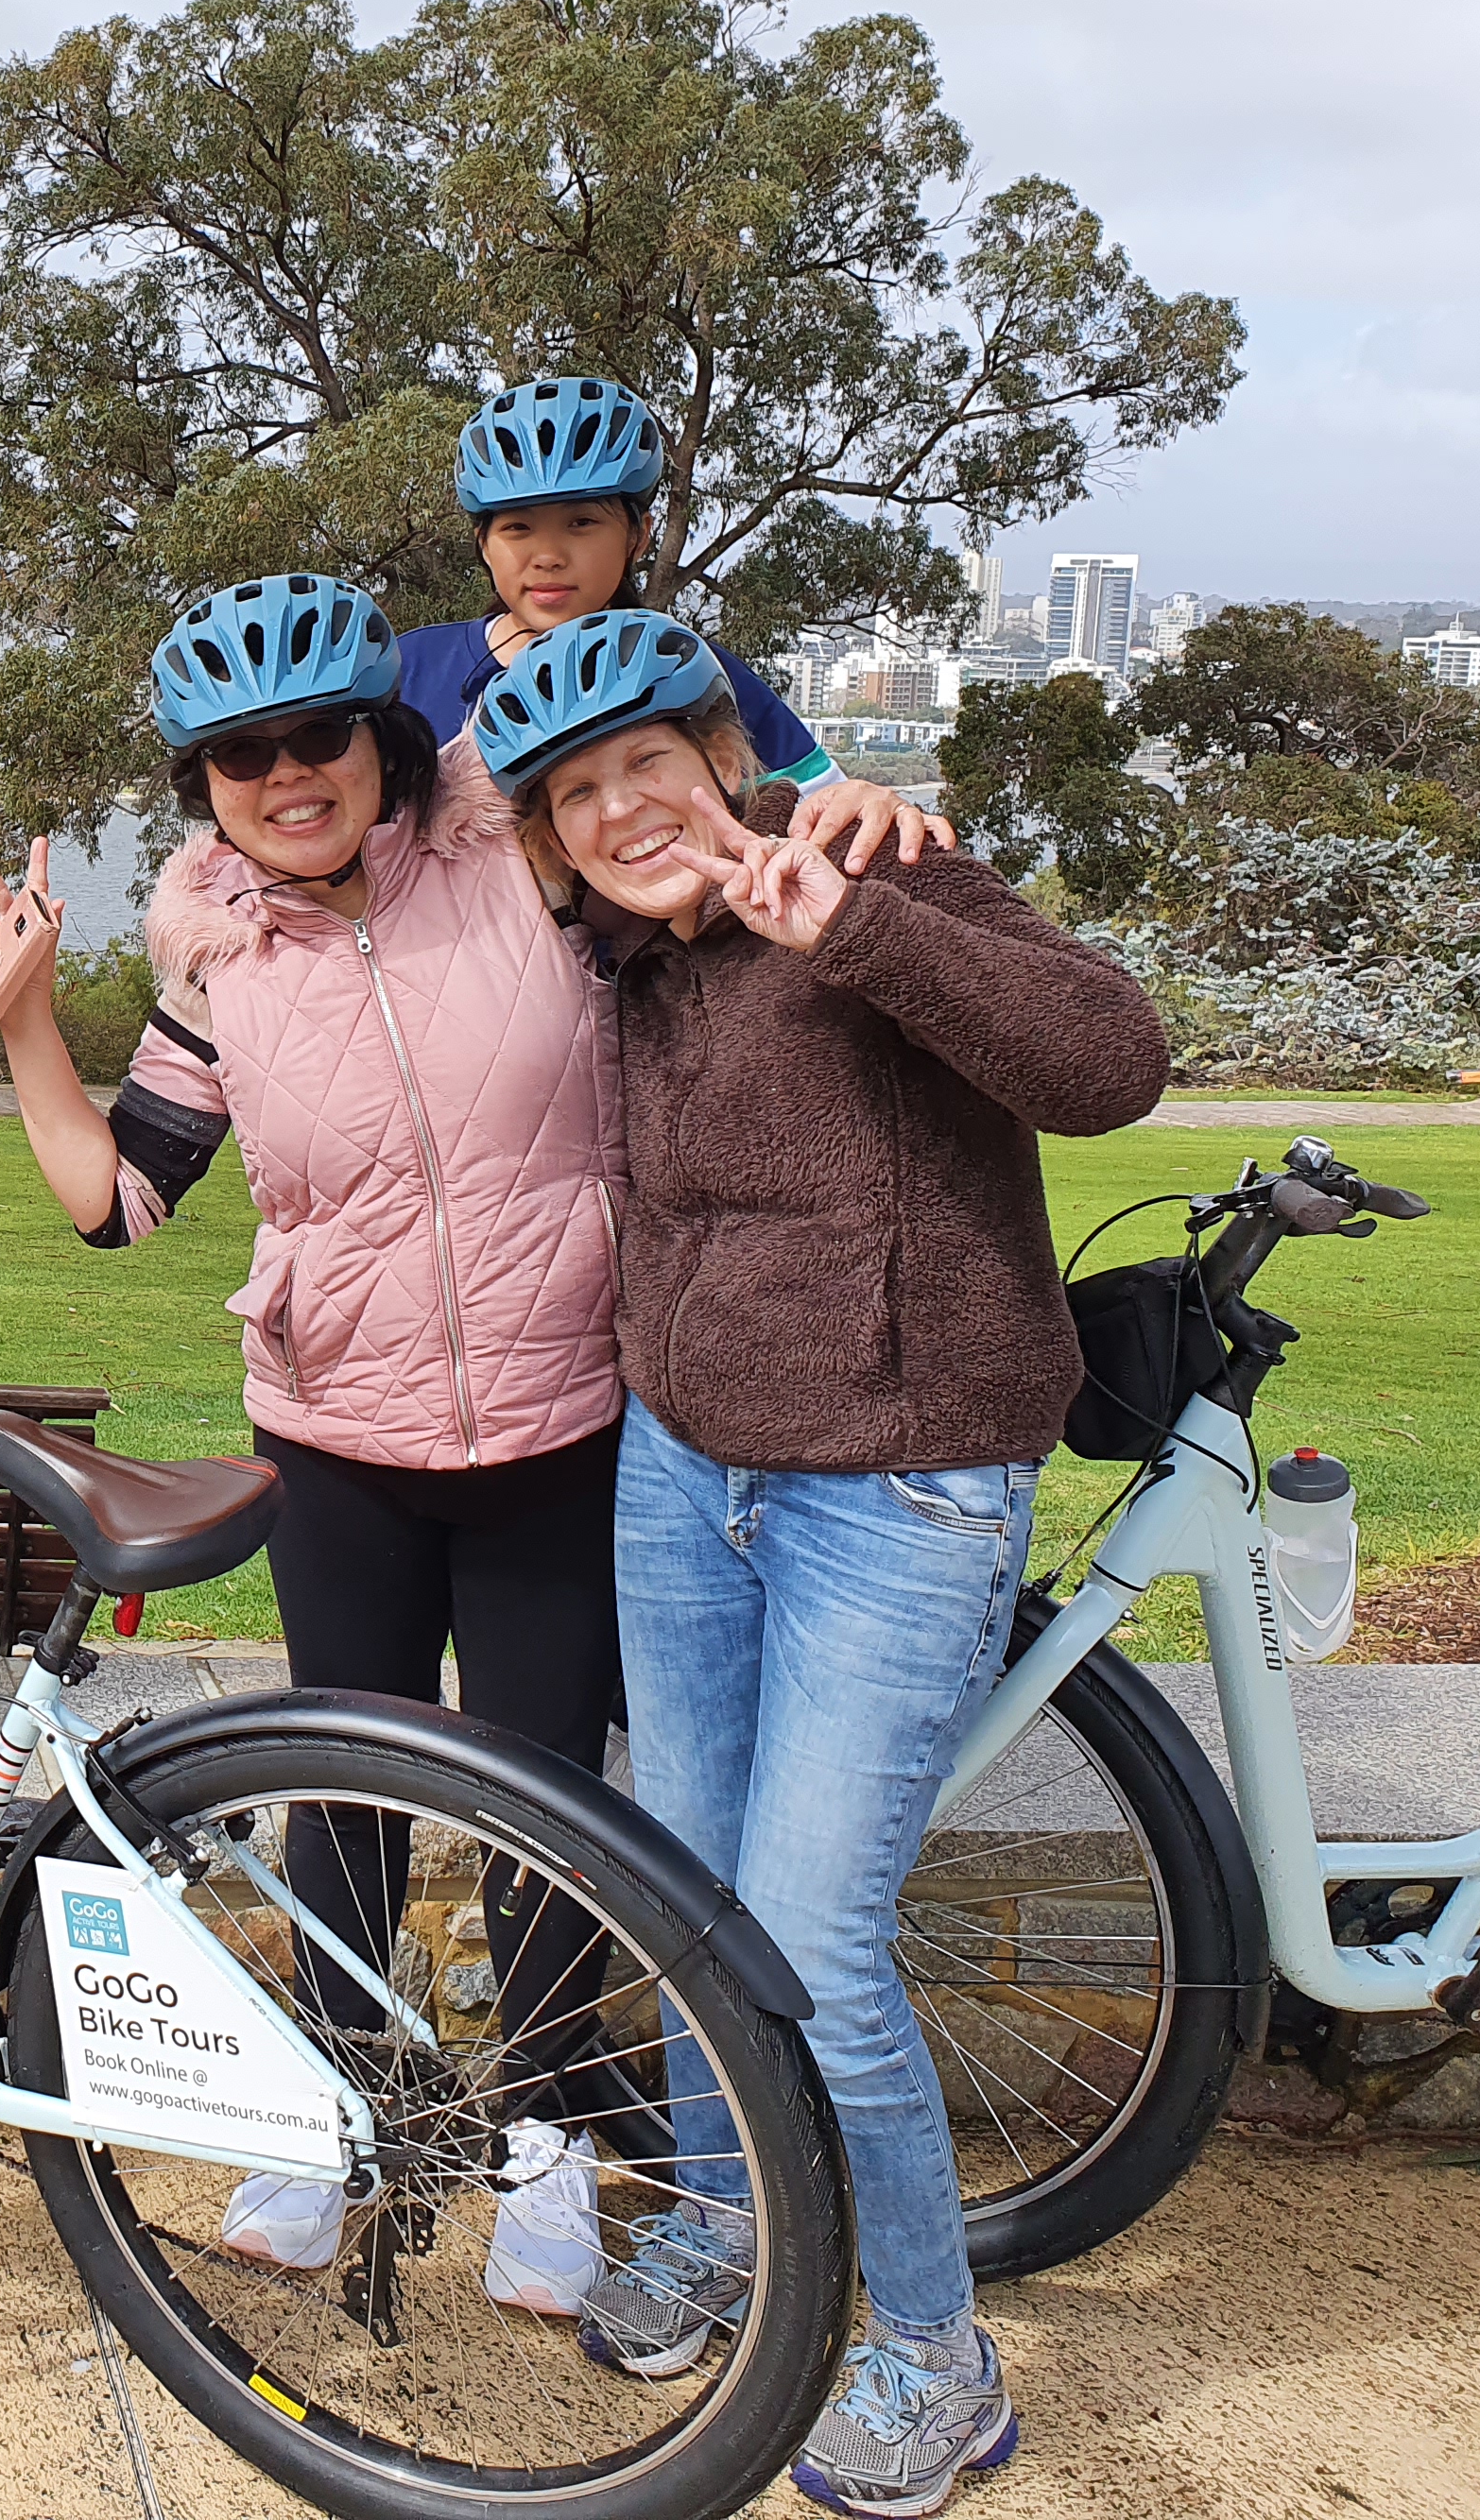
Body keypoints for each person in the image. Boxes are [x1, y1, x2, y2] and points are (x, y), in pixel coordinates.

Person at [0, 570, 953, 2299]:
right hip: (336, 1434)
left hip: (560, 1421)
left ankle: (553, 2146)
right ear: (202, 784)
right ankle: (332, 2114)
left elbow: (687, 821)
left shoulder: (519, 864)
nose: (287, 775)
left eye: (317, 735)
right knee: (344, 1804)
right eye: (239, 753)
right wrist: (30, 1025)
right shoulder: (221, 958)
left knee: (552, 1812)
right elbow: (116, 1200)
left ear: (381, 736)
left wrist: (848, 802)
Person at [472, 616, 1169, 2519]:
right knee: (688, 1899)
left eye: (646, 764)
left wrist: (855, 920)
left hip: (903, 1481)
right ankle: (725, 2220)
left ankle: (936, 2360)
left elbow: (1111, 1064)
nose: (620, 809)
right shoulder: (619, 953)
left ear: (716, 749)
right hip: (684, 1477)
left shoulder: (872, 862)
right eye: (574, 793)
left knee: (814, 1953)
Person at [391, 375, 838, 787]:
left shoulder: (694, 673)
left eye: (581, 522)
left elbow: (824, 809)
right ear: (484, 545)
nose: (548, 558)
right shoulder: (410, 670)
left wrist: (868, 806)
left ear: (637, 536)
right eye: (518, 529)